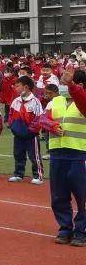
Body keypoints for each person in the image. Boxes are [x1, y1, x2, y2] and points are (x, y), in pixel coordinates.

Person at [37, 69, 86, 245]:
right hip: (58, 154)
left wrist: (72, 86)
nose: (65, 86)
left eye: (69, 83)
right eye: (64, 83)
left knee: (82, 196)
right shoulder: (55, 101)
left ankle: (82, 230)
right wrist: (51, 125)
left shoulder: (82, 99)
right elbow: (41, 119)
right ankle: (65, 228)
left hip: (79, 154)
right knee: (58, 195)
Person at [8, 75, 44, 184]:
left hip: (31, 135)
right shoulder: (16, 101)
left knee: (34, 156)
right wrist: (13, 128)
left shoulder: (35, 101)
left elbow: (39, 118)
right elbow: (10, 116)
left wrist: (30, 131)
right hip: (18, 134)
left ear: (26, 87)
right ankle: (18, 174)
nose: (16, 88)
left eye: (18, 86)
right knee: (18, 154)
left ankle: (38, 175)